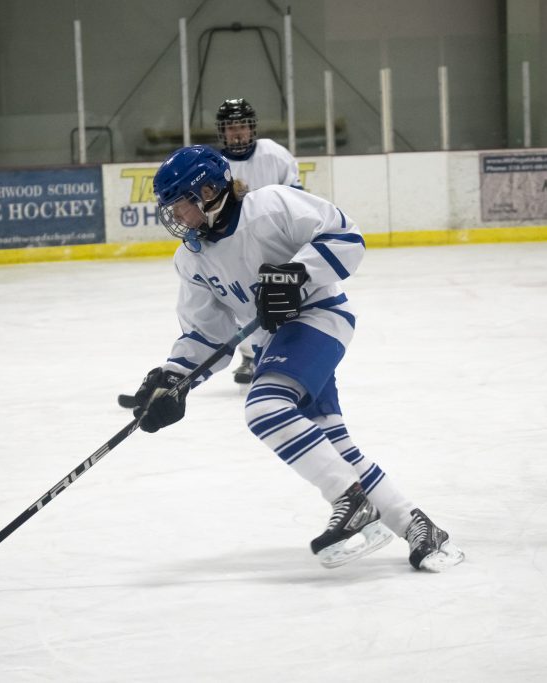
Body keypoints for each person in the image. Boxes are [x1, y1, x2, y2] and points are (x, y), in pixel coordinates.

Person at [121, 144, 464, 571]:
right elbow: (208, 333)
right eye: (171, 208)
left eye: (182, 204)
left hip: (319, 317)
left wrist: (297, 273)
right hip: (274, 344)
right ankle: (418, 526)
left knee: (264, 407)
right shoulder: (191, 259)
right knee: (331, 443)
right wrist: (174, 377)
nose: (177, 216)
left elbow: (346, 236)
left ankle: (351, 501)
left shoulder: (270, 206)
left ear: (209, 191)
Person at [215, 97, 304, 386]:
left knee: (283, 300)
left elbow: (297, 199)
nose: (237, 132)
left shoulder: (275, 154)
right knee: (243, 301)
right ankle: (251, 355)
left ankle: (288, 351)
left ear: (252, 128)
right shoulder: (217, 165)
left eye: (242, 125)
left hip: (277, 242)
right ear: (222, 132)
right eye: (231, 127)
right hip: (238, 246)